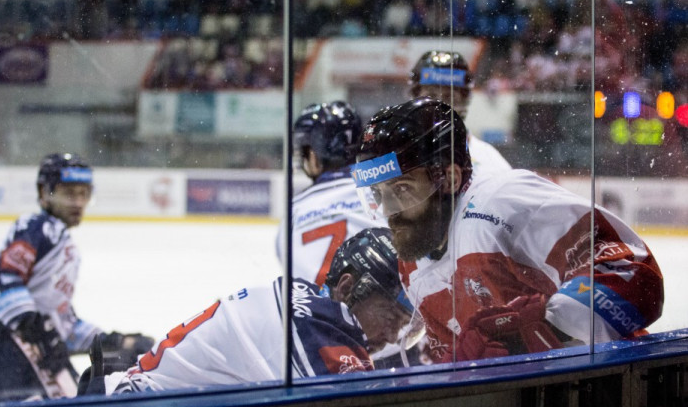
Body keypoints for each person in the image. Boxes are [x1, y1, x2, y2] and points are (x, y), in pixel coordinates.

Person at [352, 97, 664, 363]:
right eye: (377, 195)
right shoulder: (411, 262)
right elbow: (454, 360)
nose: (388, 212)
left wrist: (547, 329)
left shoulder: (500, 202)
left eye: (402, 189)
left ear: (448, 179)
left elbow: (633, 272)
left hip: (609, 392)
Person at [79, 228, 414, 395]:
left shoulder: (308, 305)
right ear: (346, 287)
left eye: (402, 327)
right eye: (389, 317)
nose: (391, 337)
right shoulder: (313, 326)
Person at [0, 153, 153, 403]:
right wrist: (33, 326)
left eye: (84, 194)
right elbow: (4, 277)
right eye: (69, 193)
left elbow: (63, 326)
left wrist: (112, 341)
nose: (78, 202)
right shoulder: (40, 227)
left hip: (1, 347)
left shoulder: (63, 246)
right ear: (44, 192)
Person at [277, 101, 385, 287]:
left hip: (316, 314)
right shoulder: (390, 190)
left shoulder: (294, 212)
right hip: (386, 310)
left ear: (313, 155)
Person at [408, 50, 513, 175]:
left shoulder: (491, 164)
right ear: (414, 99)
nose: (439, 106)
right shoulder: (392, 154)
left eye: (449, 97)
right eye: (430, 96)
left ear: (464, 103)